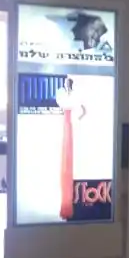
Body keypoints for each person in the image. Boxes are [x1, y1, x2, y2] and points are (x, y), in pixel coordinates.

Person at [55, 77, 86, 220]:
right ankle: (65, 205)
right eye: (66, 83)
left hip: (72, 127)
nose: (67, 85)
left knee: (70, 164)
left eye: (69, 83)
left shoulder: (76, 95)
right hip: (64, 126)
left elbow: (83, 110)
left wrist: (78, 120)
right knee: (64, 164)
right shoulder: (60, 93)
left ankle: (69, 206)